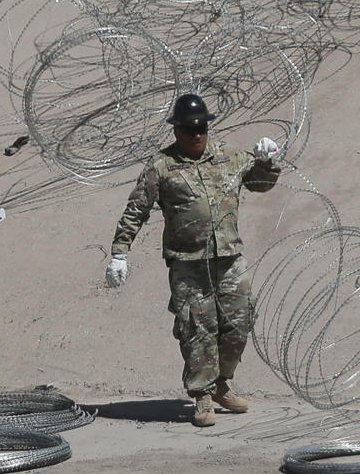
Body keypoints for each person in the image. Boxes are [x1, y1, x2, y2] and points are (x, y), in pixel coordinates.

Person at [106, 93, 282, 427]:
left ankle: (220, 385)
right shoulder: (161, 166)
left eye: (201, 127)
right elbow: (137, 208)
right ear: (176, 131)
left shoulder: (229, 156)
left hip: (229, 258)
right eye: (189, 129)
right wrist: (119, 251)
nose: (196, 134)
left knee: (239, 322)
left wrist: (267, 161)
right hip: (188, 263)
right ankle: (202, 395)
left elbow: (260, 184)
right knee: (197, 329)